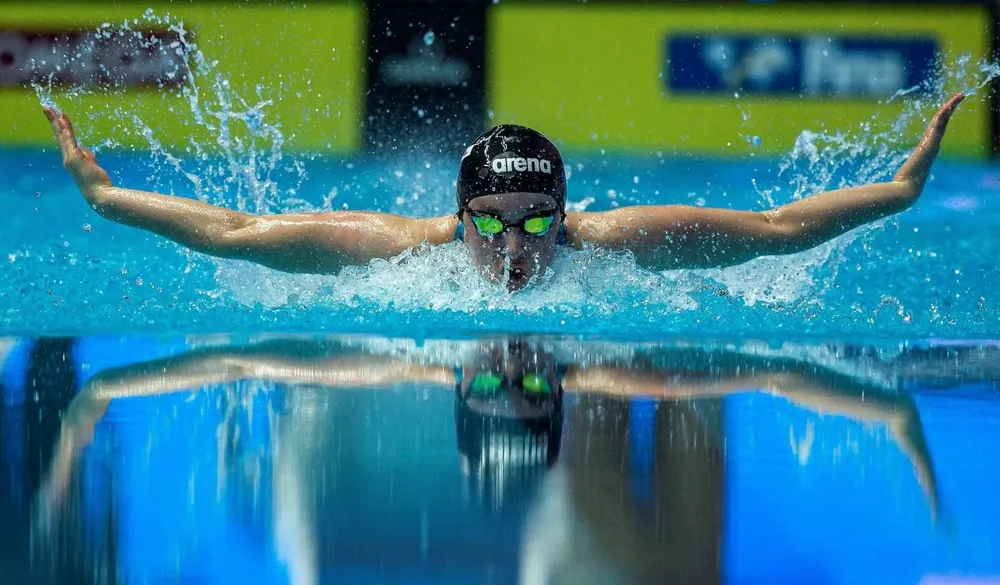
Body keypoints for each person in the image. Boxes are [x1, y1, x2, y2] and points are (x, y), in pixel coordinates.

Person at [43, 93, 964, 291]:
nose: (516, 248)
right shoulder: (402, 249)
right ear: (457, 217)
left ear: (567, 215)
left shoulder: (609, 244)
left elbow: (773, 229)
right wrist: (106, 198)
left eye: (536, 224)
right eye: (492, 224)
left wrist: (899, 189)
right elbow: (240, 230)